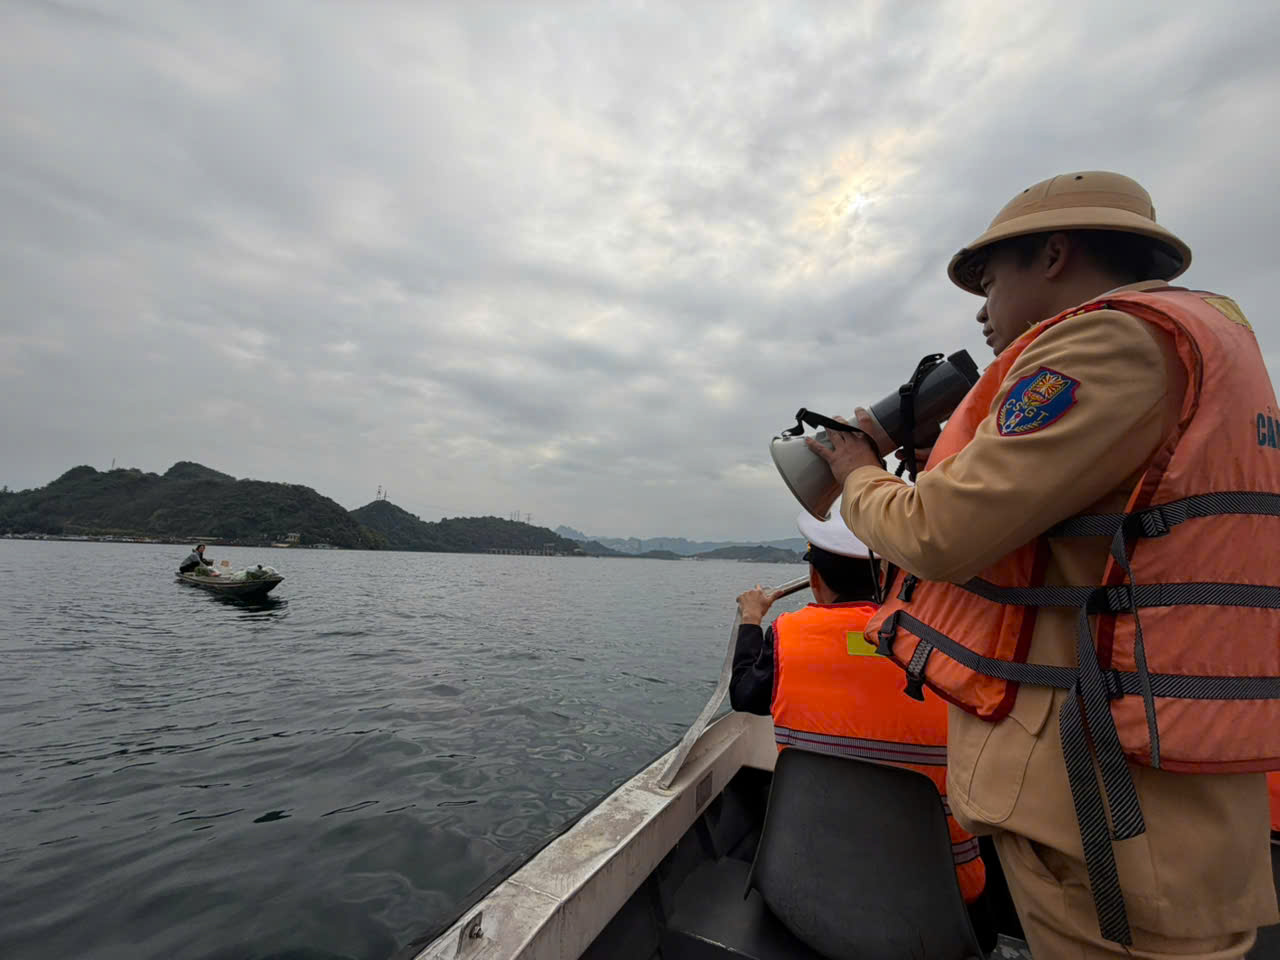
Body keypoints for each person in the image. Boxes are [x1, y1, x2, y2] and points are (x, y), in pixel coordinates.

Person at [807, 171, 1280, 957]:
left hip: (1104, 813)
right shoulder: (1212, 347)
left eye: (990, 284)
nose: (985, 313)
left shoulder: (1113, 343)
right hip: (1159, 800)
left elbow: (936, 535)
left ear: (1056, 254)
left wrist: (859, 470)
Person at [729, 510, 987, 911]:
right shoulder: (946, 642)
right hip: (942, 900)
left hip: (808, 880)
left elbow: (744, 695)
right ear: (888, 576)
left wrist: (751, 620)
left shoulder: (786, 637)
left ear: (815, 579)